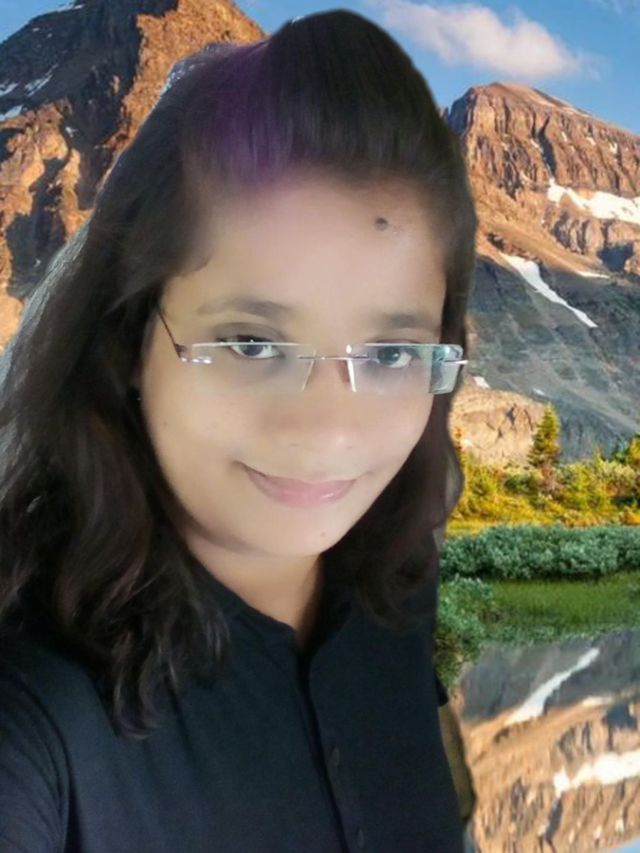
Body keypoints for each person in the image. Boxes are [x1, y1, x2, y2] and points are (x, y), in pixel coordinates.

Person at [0, 9, 478, 852]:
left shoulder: (394, 583)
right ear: (129, 340)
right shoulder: (30, 710)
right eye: (253, 343)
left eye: (393, 352)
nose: (329, 428)